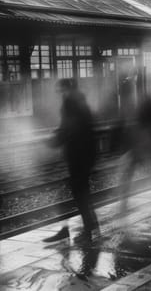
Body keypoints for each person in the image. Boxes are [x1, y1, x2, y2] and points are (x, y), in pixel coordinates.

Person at [44, 79, 99, 242]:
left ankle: (80, 229)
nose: (59, 94)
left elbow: (70, 129)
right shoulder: (79, 102)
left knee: (75, 194)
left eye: (61, 91)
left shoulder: (71, 104)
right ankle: (90, 225)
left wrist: (52, 142)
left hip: (78, 155)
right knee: (82, 193)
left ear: (67, 90)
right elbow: (69, 128)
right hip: (84, 154)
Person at [119, 94, 151, 213]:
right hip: (148, 150)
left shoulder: (138, 117)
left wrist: (128, 149)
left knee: (128, 173)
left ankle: (124, 199)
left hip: (138, 150)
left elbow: (131, 133)